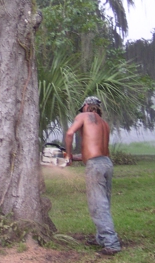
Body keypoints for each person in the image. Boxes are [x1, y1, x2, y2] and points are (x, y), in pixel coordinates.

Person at [65, 96, 121, 256]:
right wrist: (73, 158)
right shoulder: (104, 124)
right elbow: (94, 152)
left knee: (97, 205)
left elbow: (69, 134)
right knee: (104, 202)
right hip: (106, 163)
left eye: (83, 107)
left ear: (87, 106)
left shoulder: (83, 116)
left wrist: (68, 155)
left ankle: (111, 243)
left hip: (95, 166)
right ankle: (101, 238)